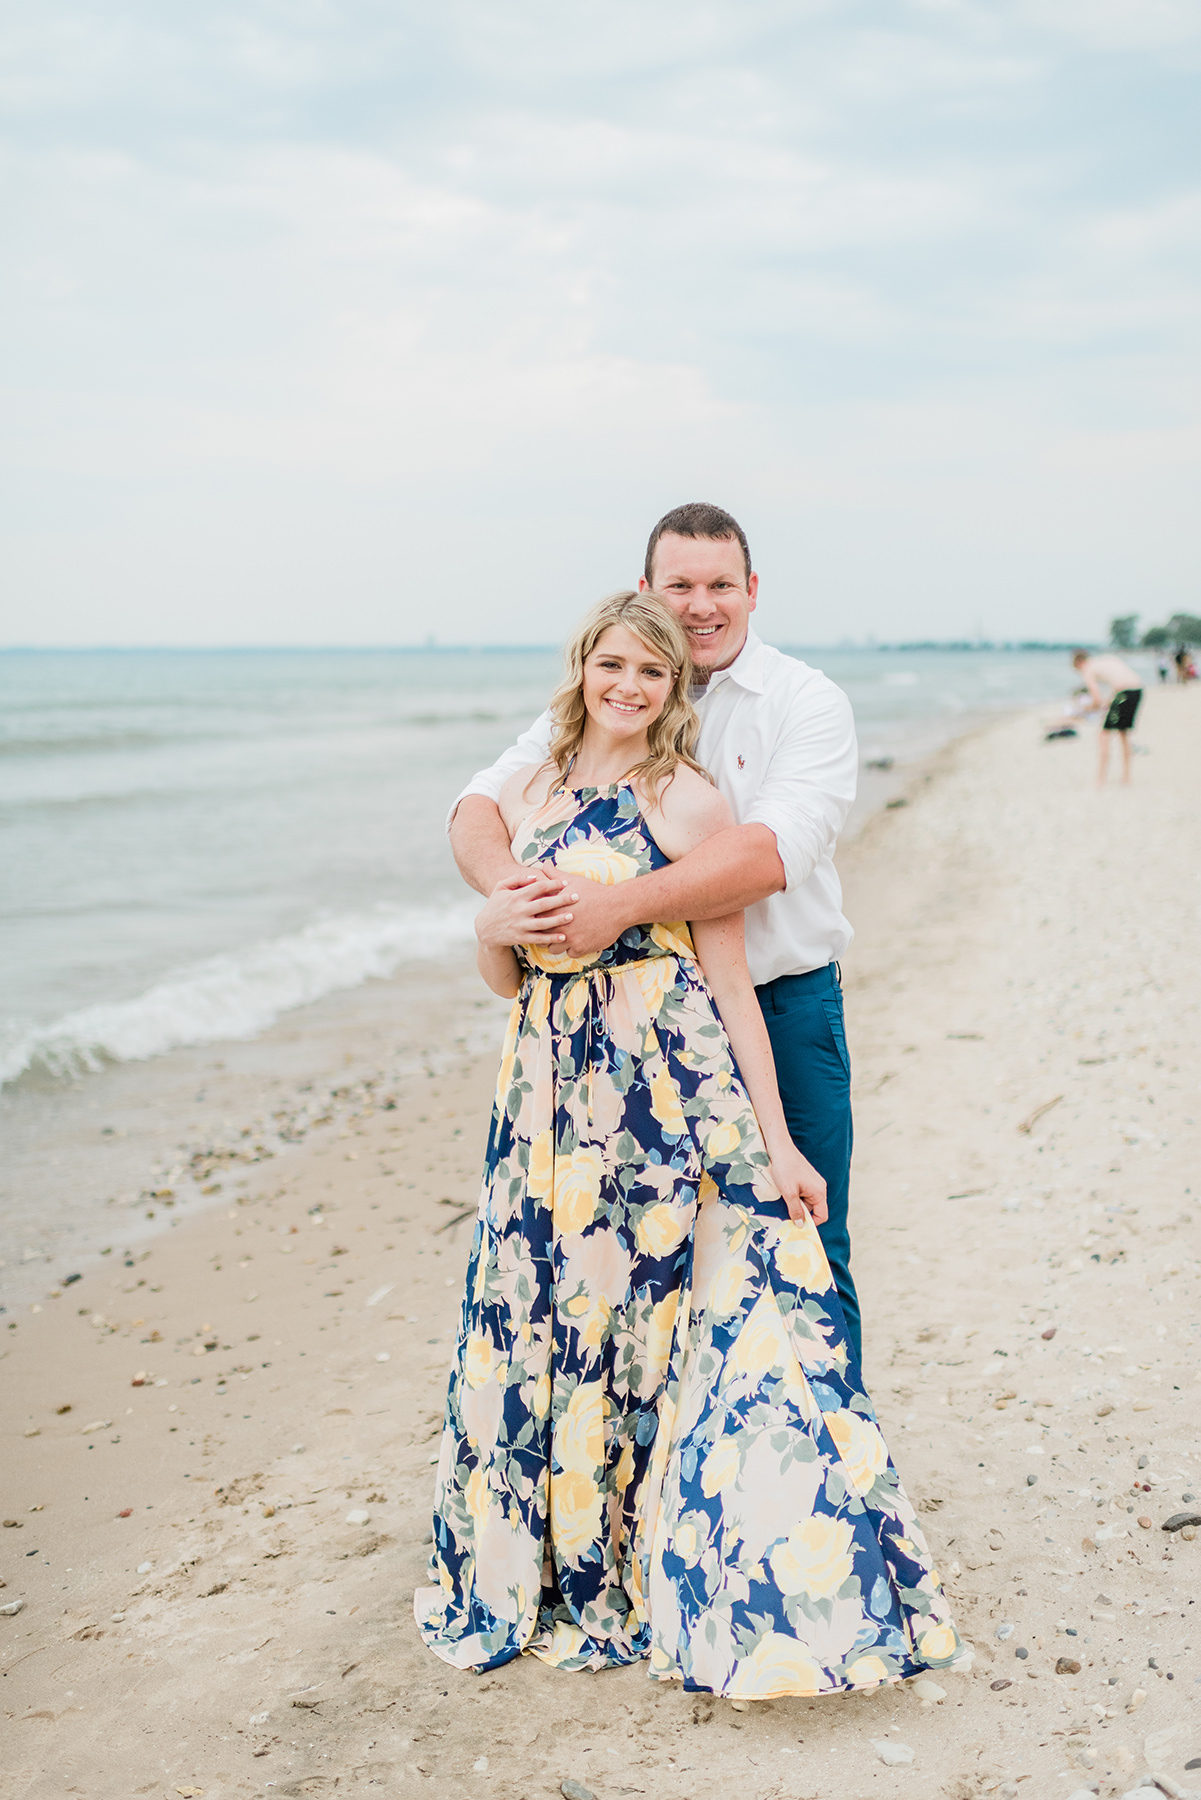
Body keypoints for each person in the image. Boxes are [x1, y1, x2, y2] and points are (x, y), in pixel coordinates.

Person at [415, 590, 961, 1695]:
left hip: (663, 1091)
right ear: (582, 667)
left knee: (665, 1316)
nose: (627, 686)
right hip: (547, 1096)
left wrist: (779, 1143)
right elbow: (512, 980)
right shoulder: (525, 788)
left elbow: (727, 982)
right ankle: (564, 1557)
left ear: (674, 693)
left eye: (650, 674)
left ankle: (686, 1554)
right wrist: (486, 927)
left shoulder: (687, 800)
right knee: (555, 1314)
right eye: (611, 664)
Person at [449, 502, 863, 1364]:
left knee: (795, 1243)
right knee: (642, 1267)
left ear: (751, 592)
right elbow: (481, 807)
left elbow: (763, 857)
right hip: (612, 1044)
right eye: (680, 584)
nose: (700, 603)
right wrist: (511, 908)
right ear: (647, 589)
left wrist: (616, 905)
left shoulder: (804, 701)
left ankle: (837, 1478)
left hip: (774, 1007)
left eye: (720, 585)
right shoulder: (610, 691)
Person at [1071, 649, 1143, 785]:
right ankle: (1126, 777)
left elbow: (1097, 700)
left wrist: (1085, 709)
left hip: (1124, 692)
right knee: (1123, 733)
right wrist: (1109, 703)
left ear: (1079, 663)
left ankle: (1101, 779)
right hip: (1137, 690)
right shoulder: (1105, 660)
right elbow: (1119, 683)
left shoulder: (1088, 669)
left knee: (1104, 734)